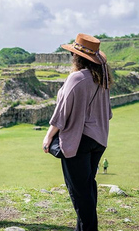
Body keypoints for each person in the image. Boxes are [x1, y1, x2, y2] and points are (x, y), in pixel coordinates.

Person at [42, 33, 113, 231]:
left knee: (79, 192)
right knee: (88, 187)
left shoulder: (77, 78)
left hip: (79, 140)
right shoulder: (102, 78)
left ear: (76, 57)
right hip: (98, 139)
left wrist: (48, 137)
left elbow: (61, 112)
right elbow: (107, 113)